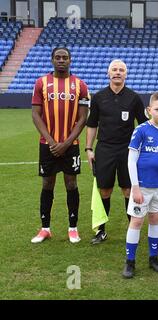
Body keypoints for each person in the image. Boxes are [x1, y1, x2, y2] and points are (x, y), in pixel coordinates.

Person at [31, 47, 90, 243]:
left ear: (70, 60)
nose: (61, 60)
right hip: (47, 144)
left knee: (71, 184)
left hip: (70, 145)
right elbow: (35, 115)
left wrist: (65, 143)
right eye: (58, 57)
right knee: (47, 183)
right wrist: (51, 141)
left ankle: (73, 228)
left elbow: (83, 118)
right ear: (52, 60)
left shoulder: (80, 85)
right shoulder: (41, 83)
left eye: (65, 57)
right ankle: (45, 228)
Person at [86, 59, 147, 244]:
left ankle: (132, 229)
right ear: (108, 73)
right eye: (114, 69)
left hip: (127, 150)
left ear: (126, 74)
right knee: (104, 189)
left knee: (128, 189)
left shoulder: (134, 98)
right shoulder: (98, 97)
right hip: (104, 148)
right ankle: (101, 230)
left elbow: (143, 124)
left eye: (121, 70)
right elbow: (91, 124)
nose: (118, 72)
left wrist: (145, 148)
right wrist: (89, 148)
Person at [122, 92, 158, 279]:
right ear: (149, 110)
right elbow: (131, 160)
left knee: (155, 220)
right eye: (157, 109)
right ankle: (130, 261)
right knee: (137, 221)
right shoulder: (141, 130)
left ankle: (153, 259)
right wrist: (135, 186)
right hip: (142, 187)